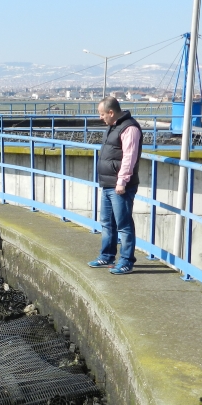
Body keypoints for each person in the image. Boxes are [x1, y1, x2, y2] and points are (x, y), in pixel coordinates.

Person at [87, 96, 142, 275]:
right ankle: (107, 255)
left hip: (120, 185)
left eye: (102, 114)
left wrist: (122, 181)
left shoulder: (130, 128)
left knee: (124, 225)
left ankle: (126, 261)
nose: (100, 118)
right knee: (107, 222)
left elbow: (129, 157)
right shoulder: (113, 126)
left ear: (111, 112)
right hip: (108, 183)